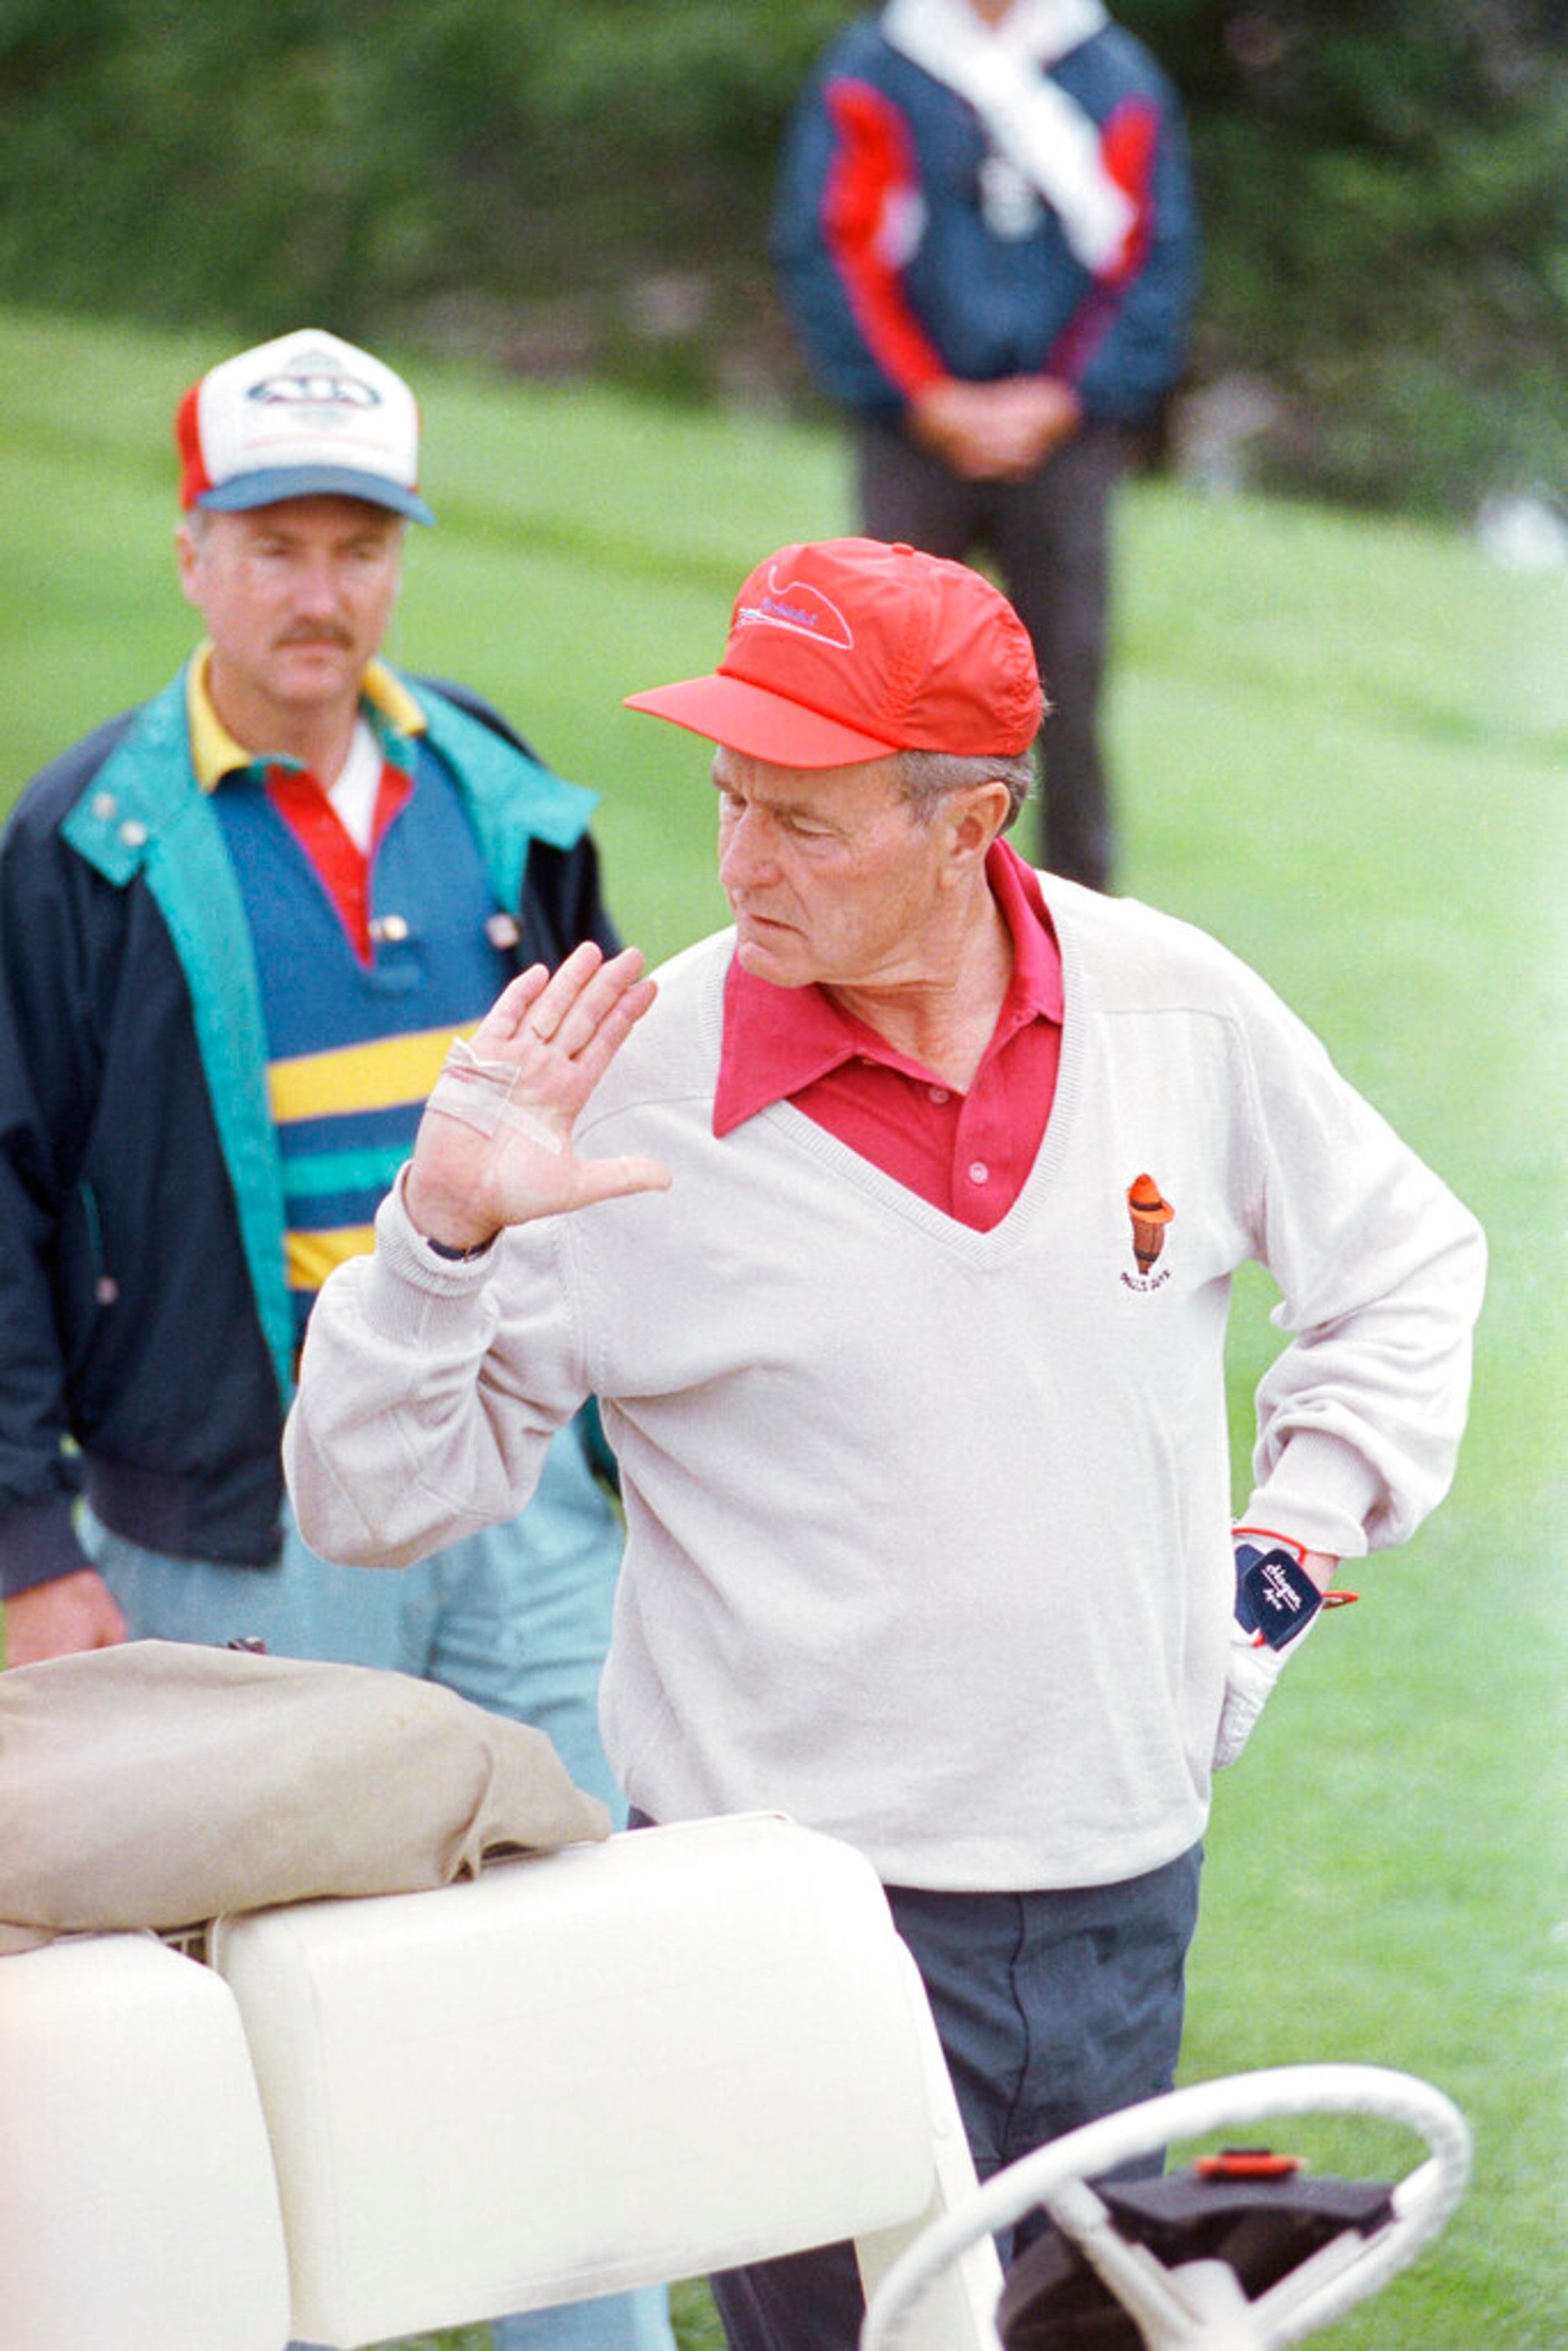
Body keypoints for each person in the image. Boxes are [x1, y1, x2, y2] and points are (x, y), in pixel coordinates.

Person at [285, 536, 1486, 2351]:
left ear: (970, 821)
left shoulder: (1177, 1006)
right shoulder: (627, 1091)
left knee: (1092, 2333)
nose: (738, 861)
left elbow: (1407, 1267)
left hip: (1117, 1880)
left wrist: (1288, 1543)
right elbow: (367, 1500)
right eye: (729, 798)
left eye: (802, 820)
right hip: (782, 1911)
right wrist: (439, 1236)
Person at [0, 328, 675, 2351]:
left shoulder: (497, 790)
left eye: (360, 547)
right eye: (277, 545)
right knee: (258, 2012)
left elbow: (589, 1118)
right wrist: (27, 1545)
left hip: (521, 1494)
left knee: (573, 1968)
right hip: (229, 1513)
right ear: (192, 553)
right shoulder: (82, 842)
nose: (323, 591)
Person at [772, 0, 1198, 890]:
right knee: (885, 682)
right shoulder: (876, 65)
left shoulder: (1114, 74)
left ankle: (1080, 909)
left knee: (1067, 685)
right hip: (915, 434)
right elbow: (831, 244)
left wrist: (1066, 398)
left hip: (1064, 440)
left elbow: (1152, 258)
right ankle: (869, 887)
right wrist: (924, 397)